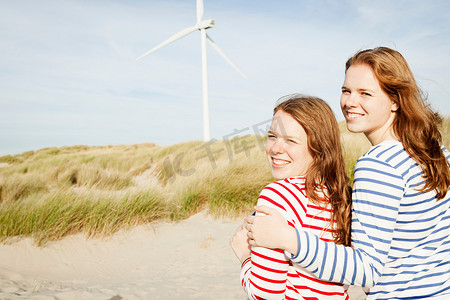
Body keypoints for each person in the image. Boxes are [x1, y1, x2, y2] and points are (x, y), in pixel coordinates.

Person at [244, 47, 450, 299]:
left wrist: (289, 239)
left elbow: (366, 270)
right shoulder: (434, 150)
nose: (350, 102)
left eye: (365, 93)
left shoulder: (379, 164)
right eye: (346, 90)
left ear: (395, 100)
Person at [230, 94, 353, 299]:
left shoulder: (277, 196)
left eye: (290, 141)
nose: (275, 149)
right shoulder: (340, 197)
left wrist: (244, 257)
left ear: (318, 149)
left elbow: (264, 294)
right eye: (272, 136)